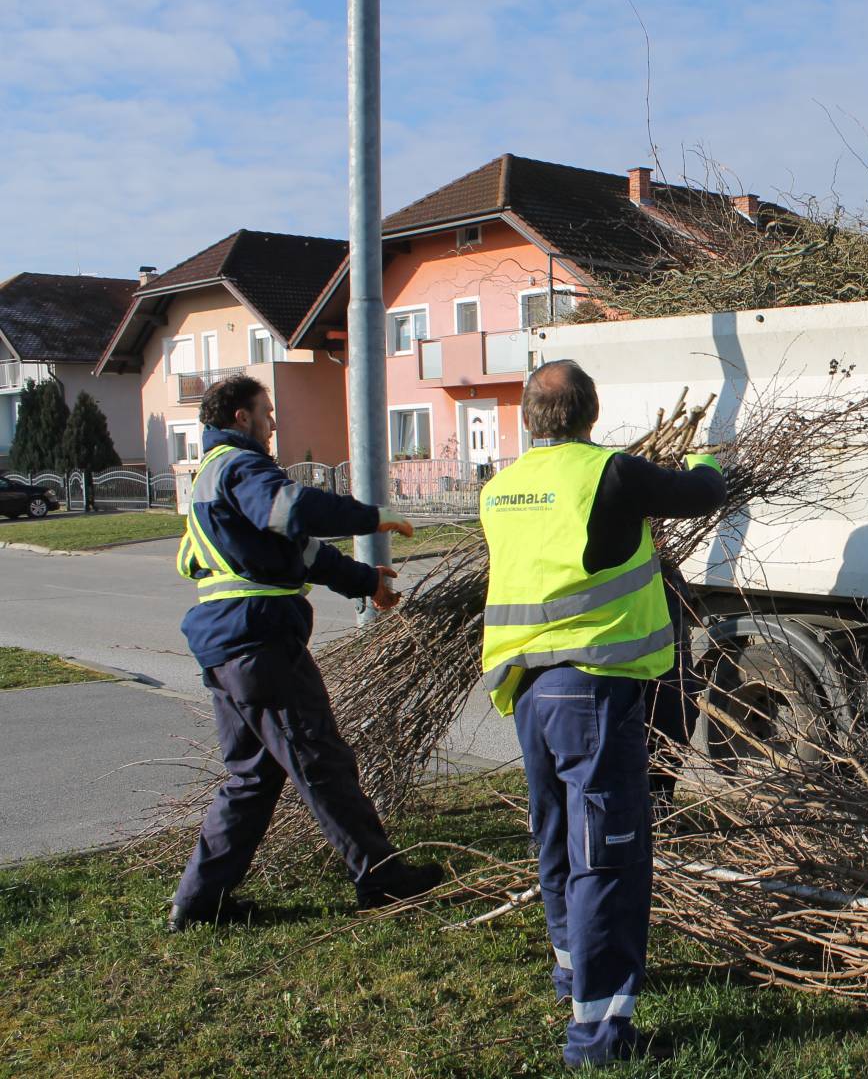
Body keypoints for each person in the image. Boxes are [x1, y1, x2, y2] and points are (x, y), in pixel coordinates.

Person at [480, 360, 725, 1067]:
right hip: (594, 690)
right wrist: (706, 455)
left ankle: (570, 973)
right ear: (591, 411)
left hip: (528, 691)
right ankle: (599, 1034)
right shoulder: (611, 473)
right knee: (608, 858)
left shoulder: (499, 489)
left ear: (530, 417)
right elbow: (704, 493)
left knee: (556, 838)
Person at [168, 374, 442, 931]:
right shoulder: (241, 467)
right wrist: (371, 516)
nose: (274, 424)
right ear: (242, 417)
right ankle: (382, 877)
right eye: (267, 413)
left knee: (252, 776)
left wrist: (366, 581)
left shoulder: (212, 473)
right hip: (258, 644)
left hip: (229, 645)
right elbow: (292, 511)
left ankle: (199, 905)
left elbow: (300, 550)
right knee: (321, 761)